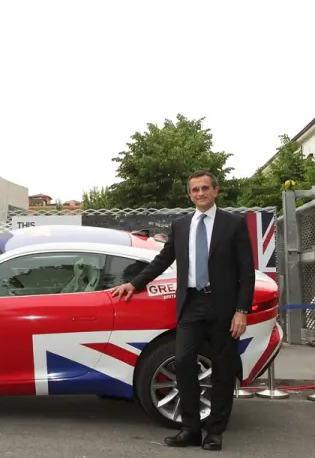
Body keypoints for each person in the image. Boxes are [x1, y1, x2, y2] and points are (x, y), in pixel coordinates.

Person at [111, 170, 254, 451]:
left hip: (224, 306)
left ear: (216, 191)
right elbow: (162, 260)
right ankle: (190, 428)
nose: (199, 194)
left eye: (204, 189)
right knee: (184, 362)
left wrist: (241, 310)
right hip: (192, 304)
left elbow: (246, 271)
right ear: (190, 194)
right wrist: (134, 284)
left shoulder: (234, 224)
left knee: (224, 370)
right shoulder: (181, 225)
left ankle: (214, 431)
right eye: (194, 190)